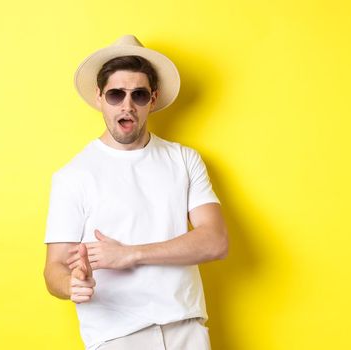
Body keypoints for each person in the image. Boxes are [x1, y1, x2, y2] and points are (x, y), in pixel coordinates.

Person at [42, 34, 228, 350]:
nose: (127, 106)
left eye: (138, 95)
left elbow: (215, 240)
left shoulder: (183, 159)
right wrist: (72, 284)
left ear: (152, 99)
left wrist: (131, 254)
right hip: (117, 338)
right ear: (99, 96)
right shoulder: (73, 176)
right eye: (116, 94)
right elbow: (53, 268)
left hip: (188, 331)